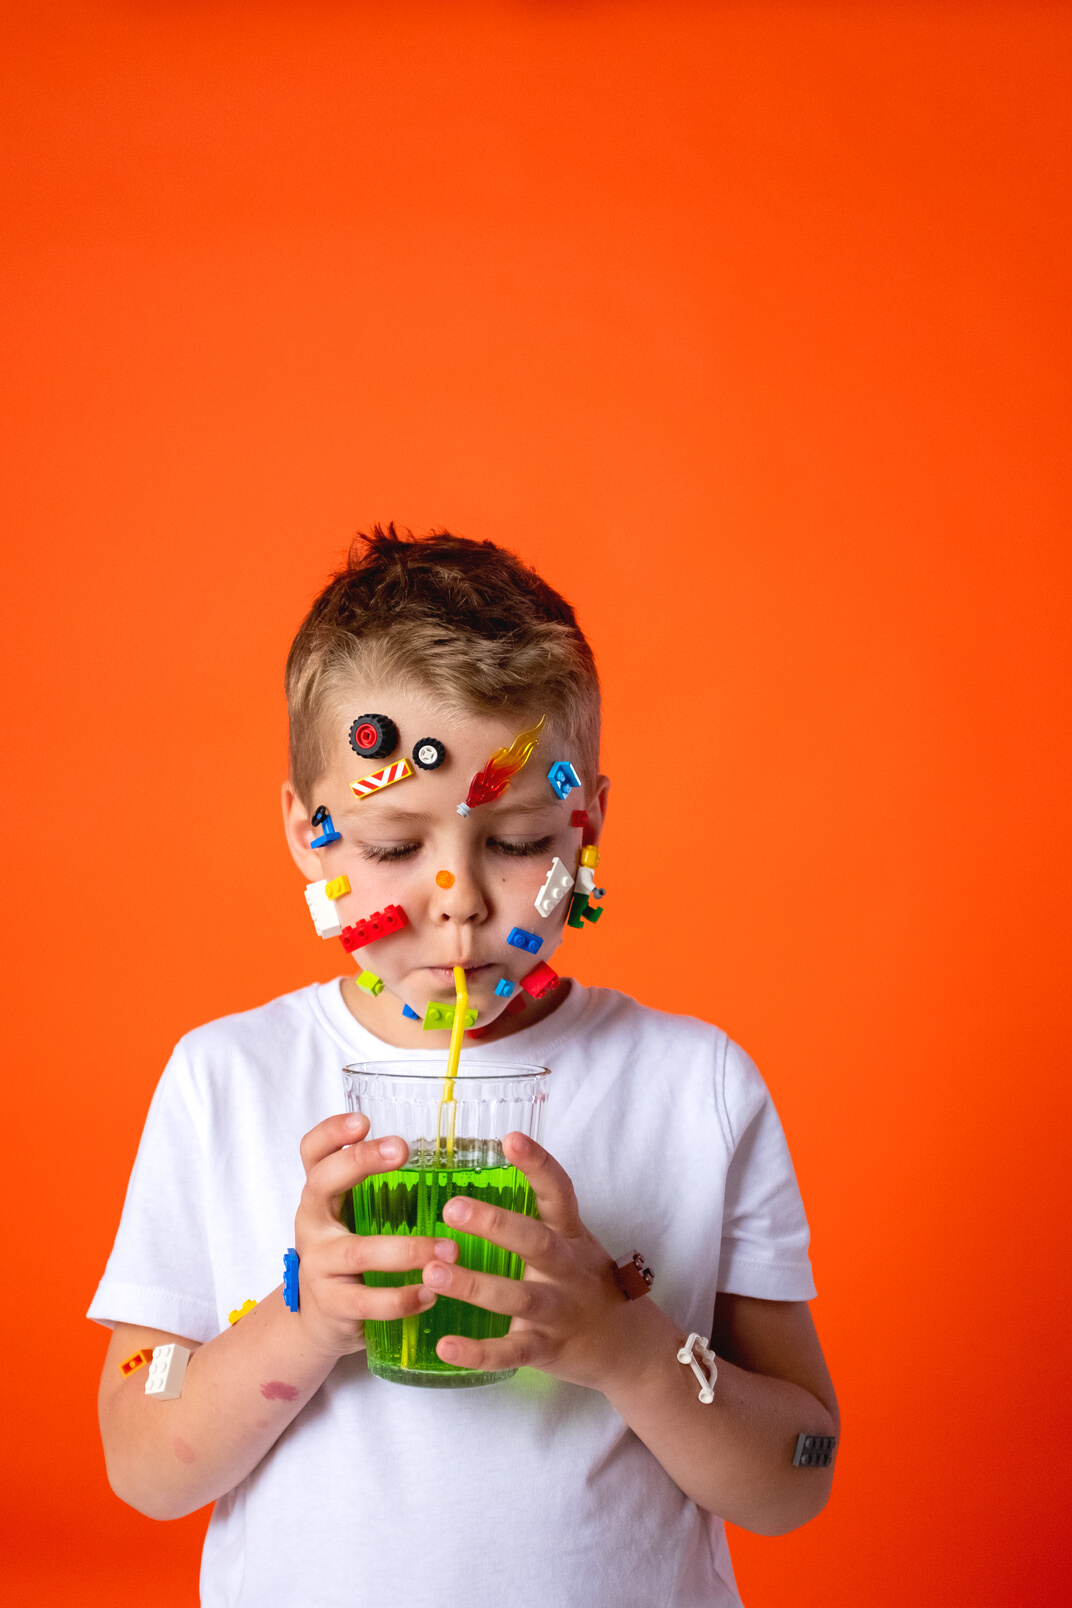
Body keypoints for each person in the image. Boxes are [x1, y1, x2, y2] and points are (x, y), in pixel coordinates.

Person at [91, 528, 839, 1608]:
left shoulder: (697, 1088)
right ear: (310, 837)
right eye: (395, 846)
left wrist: (627, 1348)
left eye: (523, 839)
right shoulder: (224, 1082)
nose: (460, 899)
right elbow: (135, 1442)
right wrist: (301, 1322)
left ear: (588, 827)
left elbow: (801, 1470)